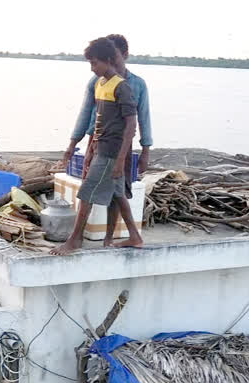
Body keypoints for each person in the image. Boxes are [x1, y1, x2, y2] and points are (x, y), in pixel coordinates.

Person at [51, 38, 144, 256]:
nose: (92, 68)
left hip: (113, 152)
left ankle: (74, 240)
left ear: (109, 60)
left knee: (86, 193)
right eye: (90, 64)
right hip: (101, 148)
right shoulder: (100, 85)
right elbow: (97, 120)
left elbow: (132, 124)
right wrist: (90, 147)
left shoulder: (122, 87)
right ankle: (135, 236)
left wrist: (121, 160)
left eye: (95, 63)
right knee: (118, 195)